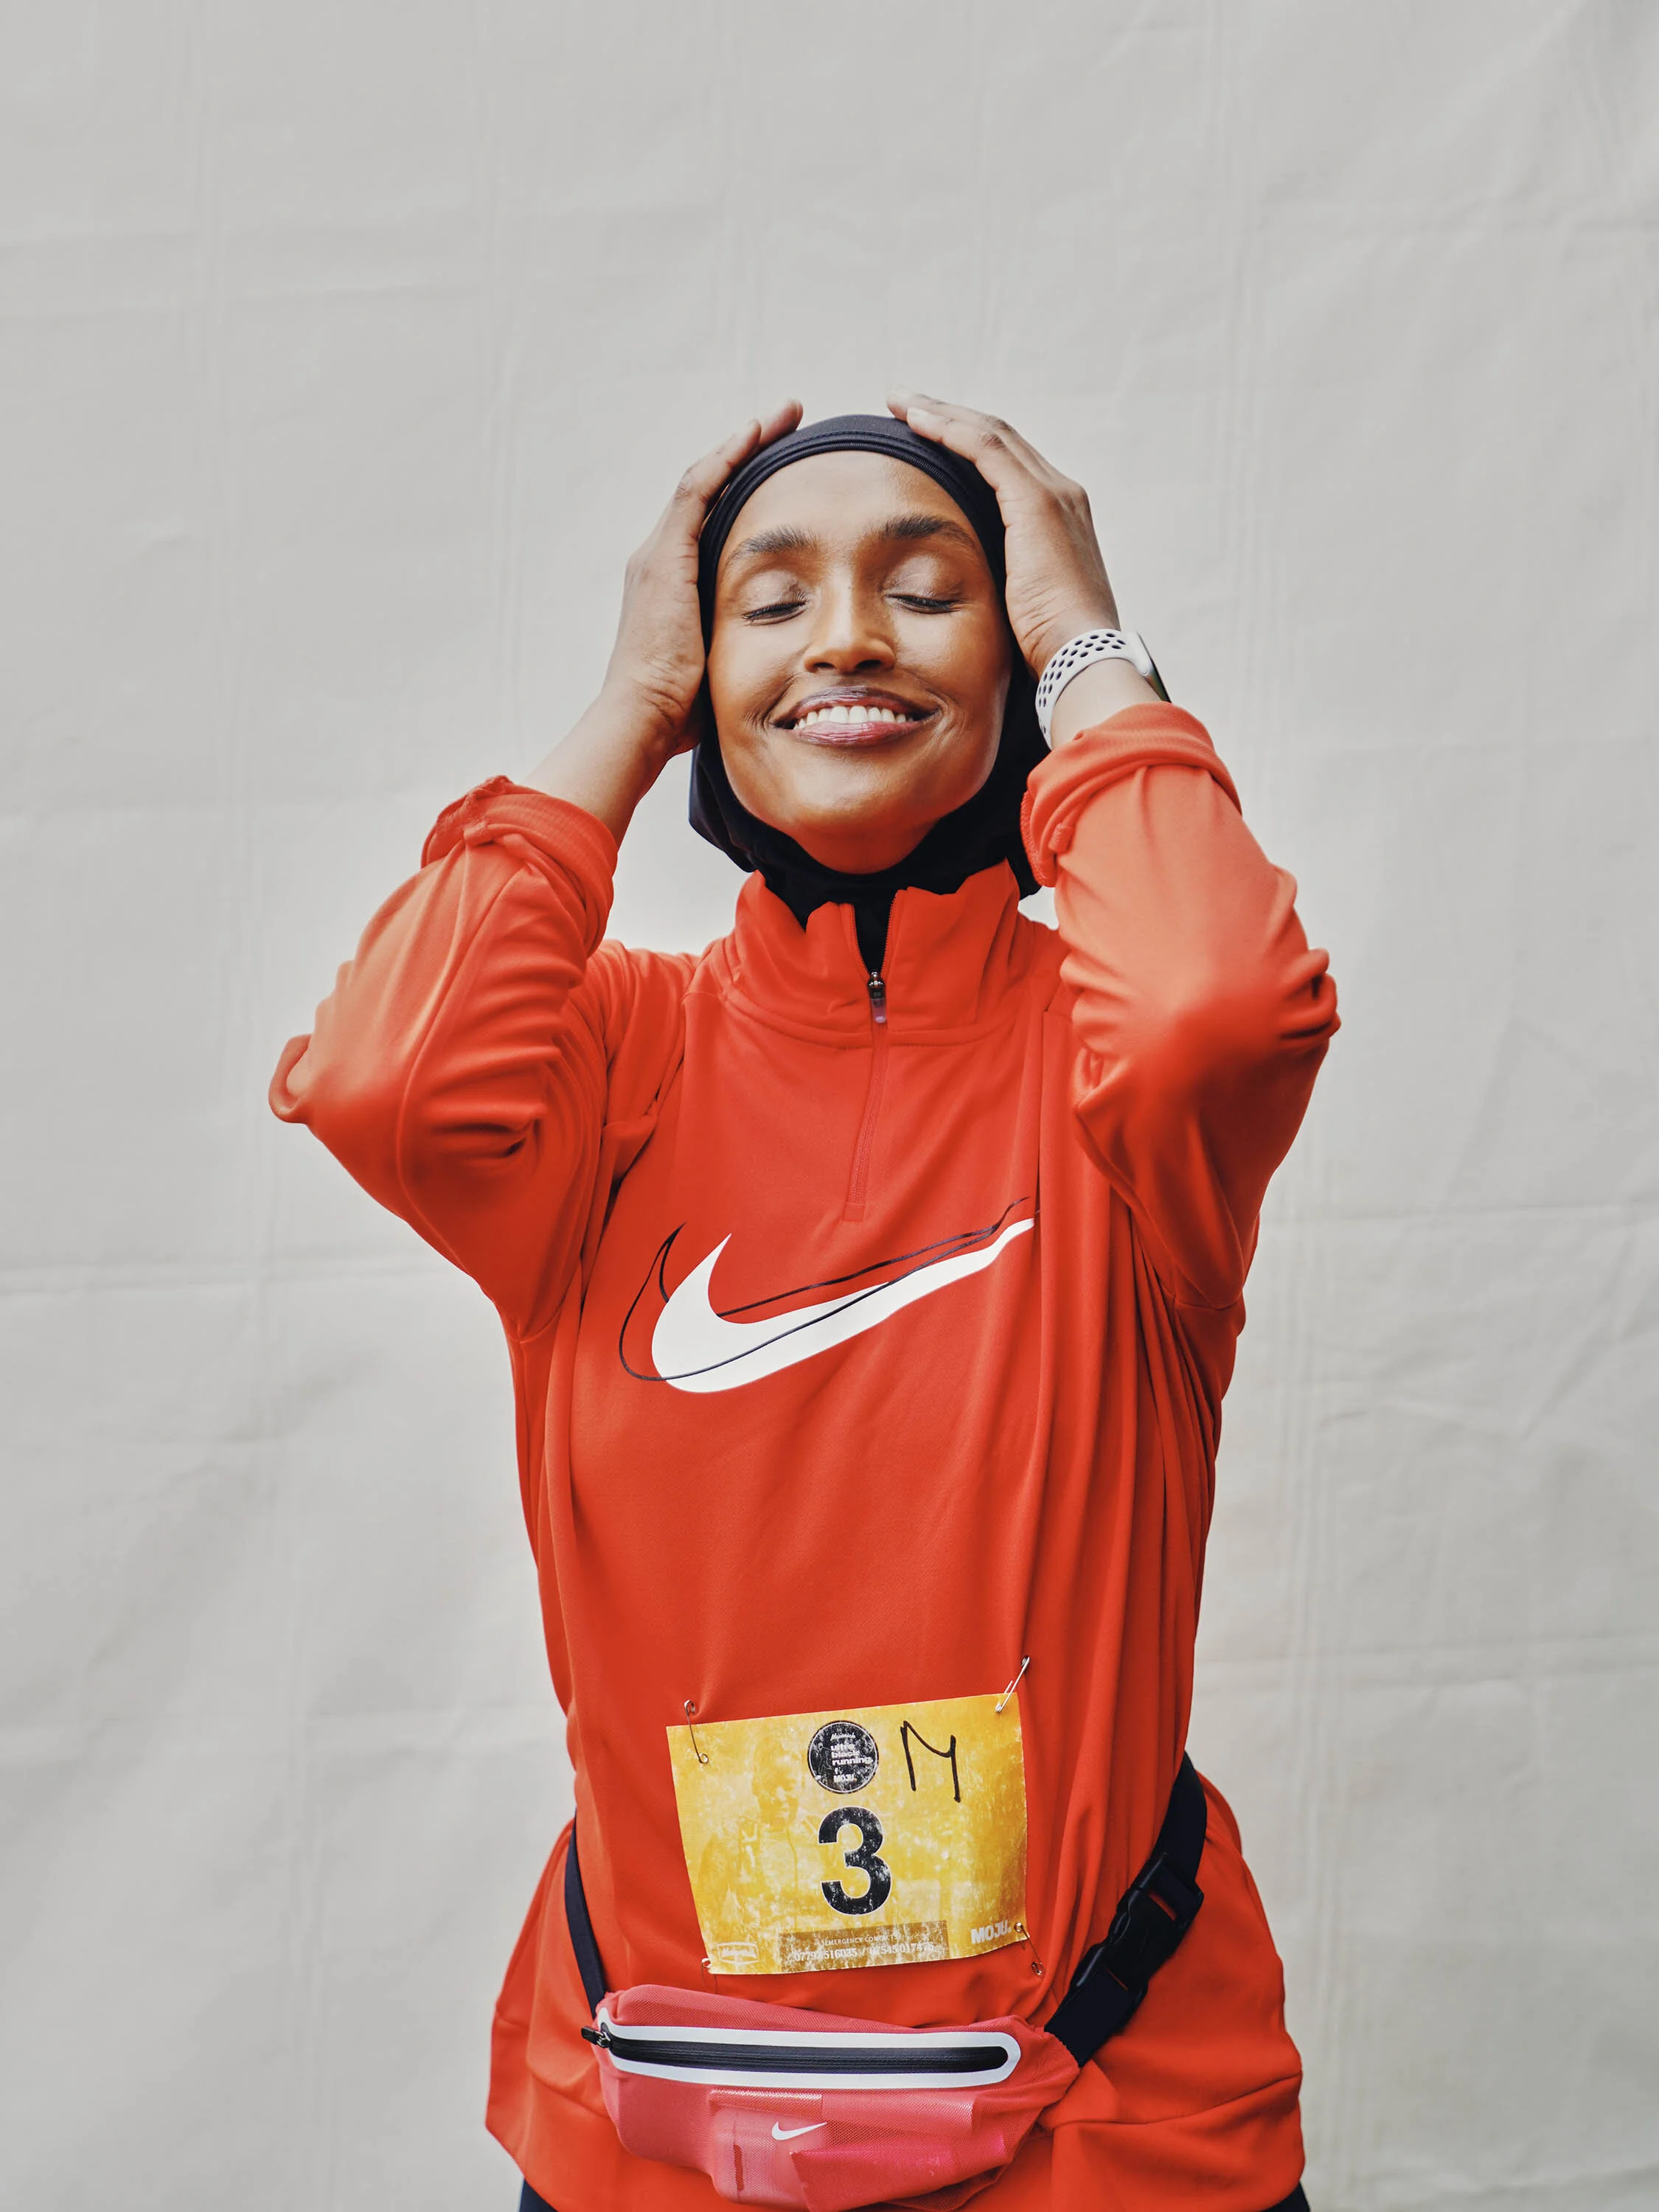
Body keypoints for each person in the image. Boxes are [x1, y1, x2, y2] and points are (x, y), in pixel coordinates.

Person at [271, 394, 1338, 2212]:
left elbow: (1215, 1008)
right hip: (664, 2122)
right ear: (704, 687)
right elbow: (389, 1080)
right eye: (770, 601)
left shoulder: (1109, 1074)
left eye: (928, 591)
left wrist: (1090, 641)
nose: (847, 633)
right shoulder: (613, 1061)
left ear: (1009, 672)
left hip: (1109, 2120)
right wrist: (626, 707)